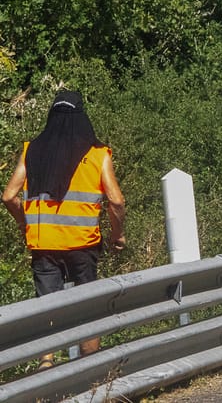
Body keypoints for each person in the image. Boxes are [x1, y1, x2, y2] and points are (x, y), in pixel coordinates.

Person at [2, 90, 126, 370]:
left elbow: (9, 196)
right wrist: (118, 234)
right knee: (88, 309)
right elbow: (116, 201)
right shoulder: (97, 154)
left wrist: (25, 224)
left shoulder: (31, 150)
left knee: (47, 307)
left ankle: (47, 366)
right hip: (82, 244)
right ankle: (91, 372)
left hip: (44, 244)